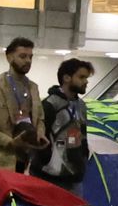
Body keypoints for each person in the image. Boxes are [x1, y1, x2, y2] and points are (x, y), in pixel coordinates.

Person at [0, 37, 48, 172]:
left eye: (30, 57)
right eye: (23, 56)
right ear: (9, 57)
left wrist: (40, 133)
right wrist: (9, 142)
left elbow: (40, 119)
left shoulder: (34, 88)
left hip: (25, 161)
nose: (28, 61)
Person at [33, 58, 93, 191]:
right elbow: (38, 140)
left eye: (86, 77)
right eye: (82, 77)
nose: (86, 81)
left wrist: (82, 159)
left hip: (75, 176)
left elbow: (83, 137)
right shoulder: (50, 105)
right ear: (66, 78)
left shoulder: (81, 105)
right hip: (48, 177)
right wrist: (46, 162)